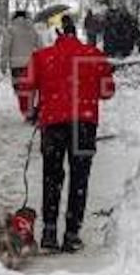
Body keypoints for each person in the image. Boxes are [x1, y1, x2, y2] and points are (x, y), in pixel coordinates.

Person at [21, 14, 115, 251]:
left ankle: (50, 232)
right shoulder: (94, 56)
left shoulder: (42, 57)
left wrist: (30, 111)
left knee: (52, 176)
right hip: (84, 125)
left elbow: (26, 86)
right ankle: (72, 233)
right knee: (79, 177)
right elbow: (107, 91)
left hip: (53, 125)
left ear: (58, 36)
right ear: (78, 34)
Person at [0, 9, 39, 118]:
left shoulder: (10, 30)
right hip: (31, 64)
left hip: (16, 65)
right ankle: (30, 110)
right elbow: (40, 46)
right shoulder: (32, 30)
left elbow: (5, 47)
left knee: (20, 89)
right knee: (30, 88)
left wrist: (3, 64)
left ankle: (27, 112)